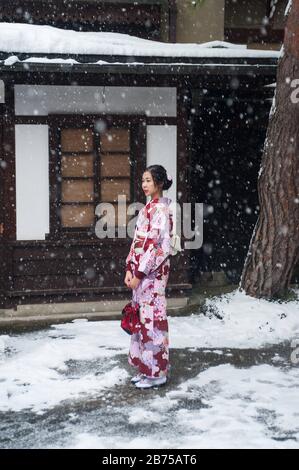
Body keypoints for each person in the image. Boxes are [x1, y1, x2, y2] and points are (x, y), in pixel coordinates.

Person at [124, 164, 173, 389]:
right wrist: (129, 268)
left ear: (159, 183)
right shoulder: (147, 209)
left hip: (152, 275)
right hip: (140, 274)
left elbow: (157, 248)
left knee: (152, 320)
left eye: (149, 180)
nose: (144, 185)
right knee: (141, 320)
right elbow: (137, 242)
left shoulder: (162, 211)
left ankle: (156, 374)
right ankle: (145, 370)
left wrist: (140, 272)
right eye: (143, 180)